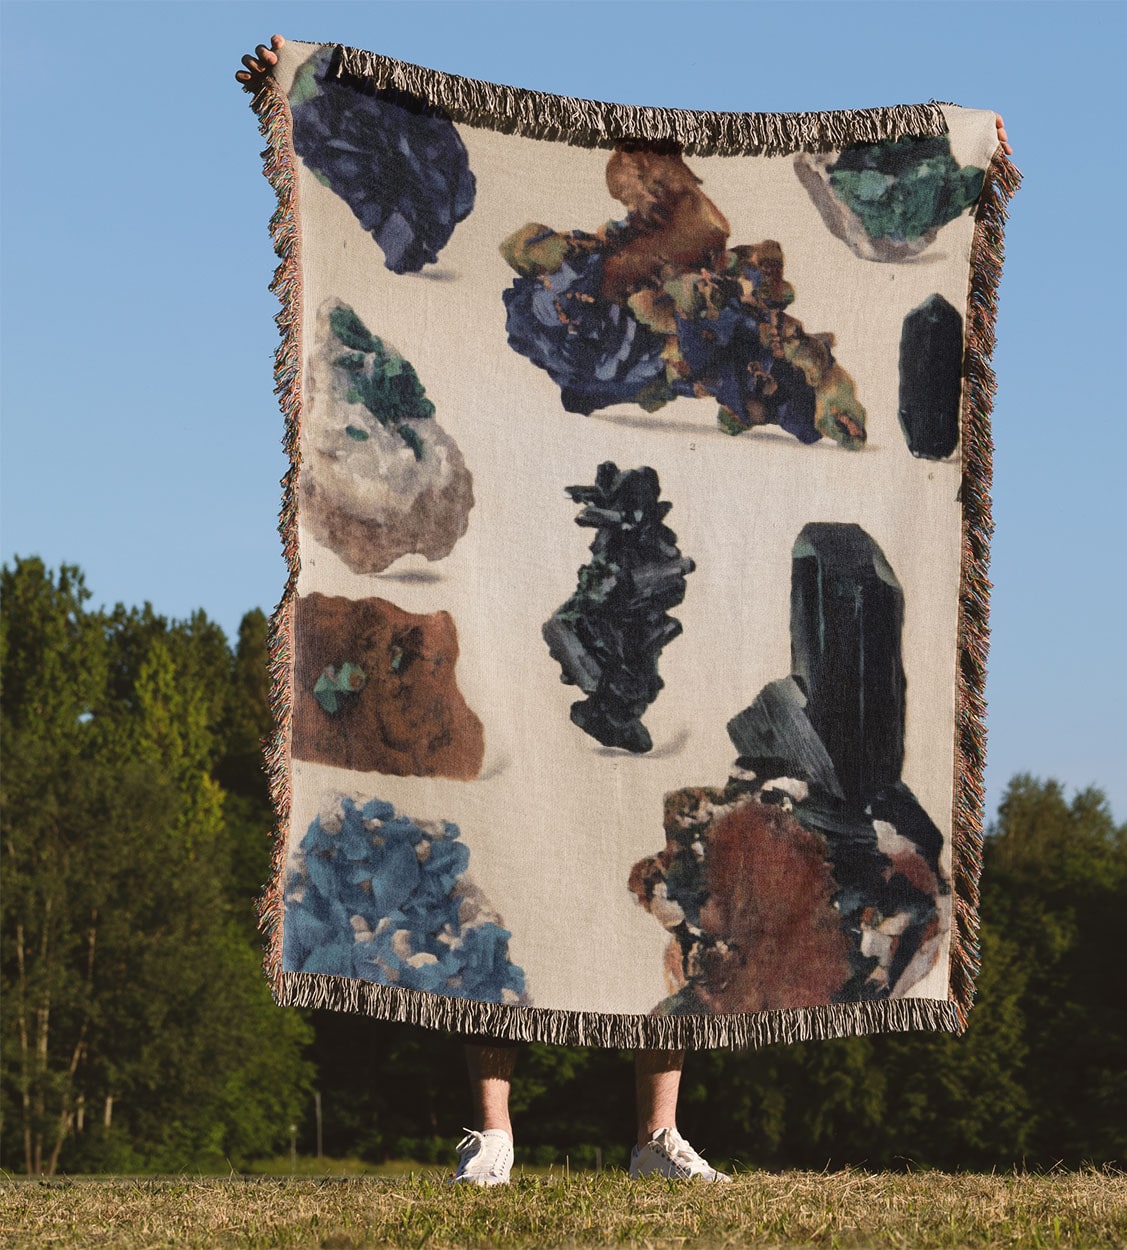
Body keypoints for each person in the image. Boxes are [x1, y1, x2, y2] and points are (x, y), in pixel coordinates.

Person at [235, 35, 1011, 1186]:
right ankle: (492, 1129)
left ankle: (655, 1132)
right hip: (544, 588)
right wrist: (298, 71)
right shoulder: (571, 318)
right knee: (507, 851)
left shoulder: (678, 325)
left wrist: (966, 154)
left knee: (666, 883)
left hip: (634, 619)